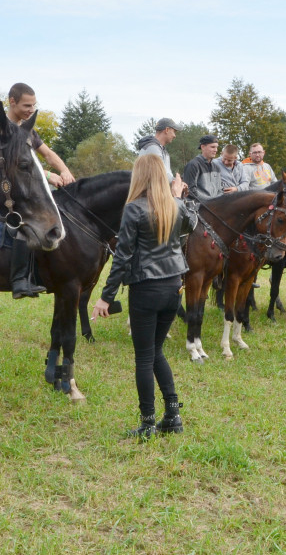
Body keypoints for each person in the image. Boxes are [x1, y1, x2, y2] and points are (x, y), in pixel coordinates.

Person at [92, 154, 195, 439]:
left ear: (139, 176)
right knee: (156, 352)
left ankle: (148, 422)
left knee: (144, 356)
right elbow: (193, 225)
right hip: (174, 285)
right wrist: (180, 197)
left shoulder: (134, 209)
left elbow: (122, 256)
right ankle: (172, 415)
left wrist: (105, 297)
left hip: (146, 289)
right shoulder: (174, 206)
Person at [6, 82, 74, 298]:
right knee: (23, 222)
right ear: (12, 102)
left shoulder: (27, 130)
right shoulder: (2, 130)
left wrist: (65, 171)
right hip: (8, 190)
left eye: (34, 105)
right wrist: (47, 175)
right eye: (27, 105)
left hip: (27, 188)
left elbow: (48, 154)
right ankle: (18, 280)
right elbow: (14, 165)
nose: (31, 110)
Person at [181, 135, 220, 202]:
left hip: (213, 207)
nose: (216, 150)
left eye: (216, 147)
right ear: (203, 147)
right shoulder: (193, 165)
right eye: (212, 147)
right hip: (196, 208)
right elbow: (190, 190)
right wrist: (211, 201)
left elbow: (220, 189)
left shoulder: (216, 167)